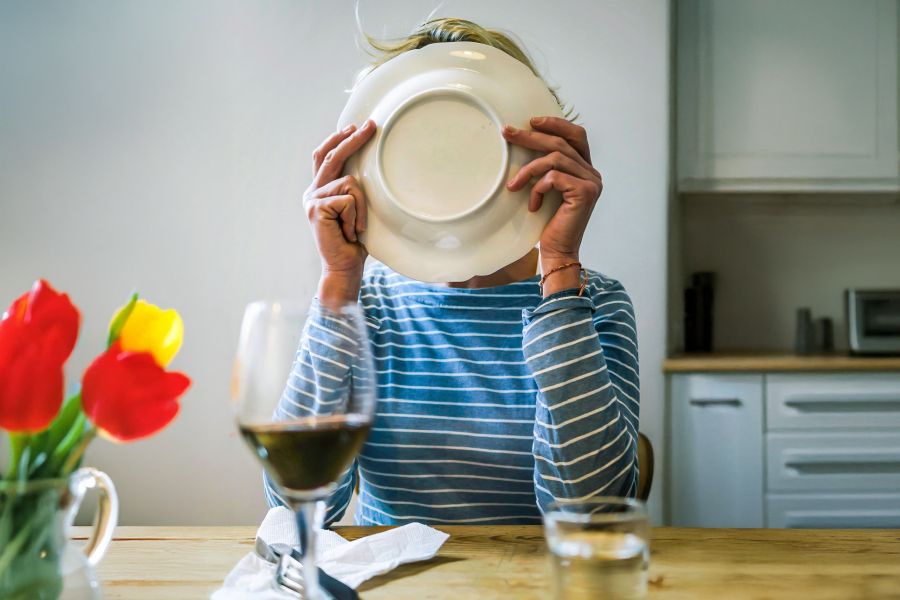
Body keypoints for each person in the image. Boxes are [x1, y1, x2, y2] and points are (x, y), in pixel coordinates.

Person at [265, 18, 639, 525]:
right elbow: (296, 506)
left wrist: (559, 264)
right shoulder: (365, 306)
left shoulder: (591, 302)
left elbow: (594, 513)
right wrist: (338, 281)